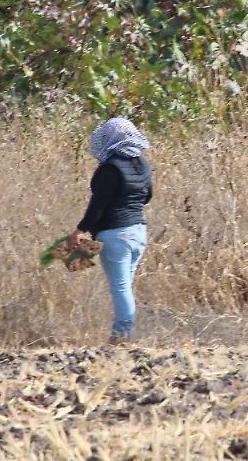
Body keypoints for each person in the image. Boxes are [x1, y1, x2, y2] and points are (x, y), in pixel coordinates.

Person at [68, 117, 153, 345]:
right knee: (124, 286)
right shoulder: (142, 163)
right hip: (139, 233)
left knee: (120, 287)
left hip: (116, 235)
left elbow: (98, 204)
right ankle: (123, 332)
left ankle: (121, 336)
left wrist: (80, 230)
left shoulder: (110, 168)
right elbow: (147, 196)